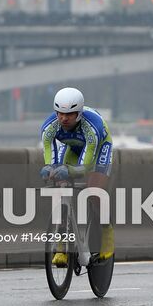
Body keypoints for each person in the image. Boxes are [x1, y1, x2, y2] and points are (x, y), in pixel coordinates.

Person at [40, 86, 114, 265]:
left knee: (94, 191)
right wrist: (50, 169)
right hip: (73, 148)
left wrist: (71, 171)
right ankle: (61, 248)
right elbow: (50, 155)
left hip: (98, 149)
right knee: (59, 188)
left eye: (70, 114)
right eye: (60, 113)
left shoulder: (92, 127)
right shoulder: (49, 127)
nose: (64, 118)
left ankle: (107, 233)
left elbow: (86, 166)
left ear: (79, 113)